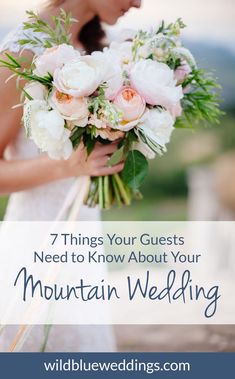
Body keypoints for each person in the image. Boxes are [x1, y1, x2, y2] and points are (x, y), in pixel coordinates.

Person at [0, 0, 142, 352]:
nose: (138, 3)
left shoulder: (96, 45)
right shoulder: (24, 51)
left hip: (83, 239)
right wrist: (67, 166)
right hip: (35, 247)